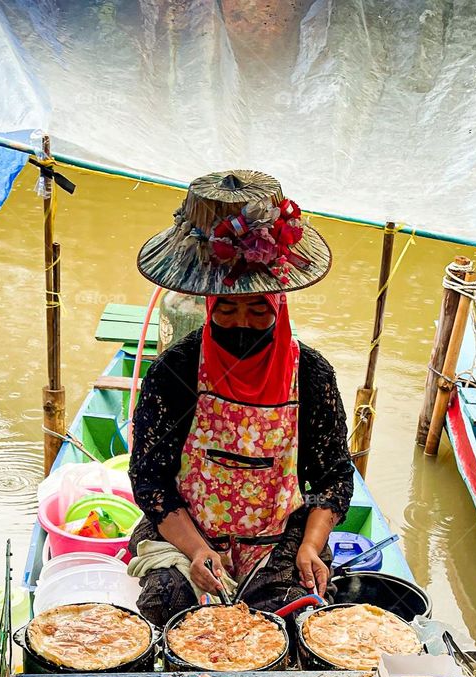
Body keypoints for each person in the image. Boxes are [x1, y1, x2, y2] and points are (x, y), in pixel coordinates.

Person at [127, 169, 354, 627]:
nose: (242, 323)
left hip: (279, 542)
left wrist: (310, 546)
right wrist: (197, 551)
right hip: (187, 535)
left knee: (292, 620)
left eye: (257, 309)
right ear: (209, 307)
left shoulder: (310, 374)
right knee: (168, 606)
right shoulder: (175, 371)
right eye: (226, 309)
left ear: (279, 307)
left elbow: (332, 477)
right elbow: (150, 480)